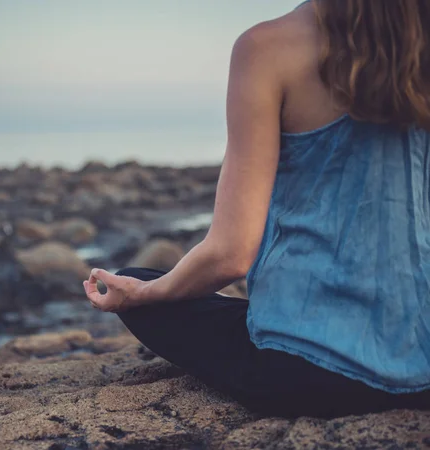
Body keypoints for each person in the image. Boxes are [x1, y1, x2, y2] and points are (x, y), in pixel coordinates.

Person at [83, 0, 430, 418]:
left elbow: (230, 255)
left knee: (138, 279)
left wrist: (143, 294)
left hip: (309, 374)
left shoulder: (267, 47)